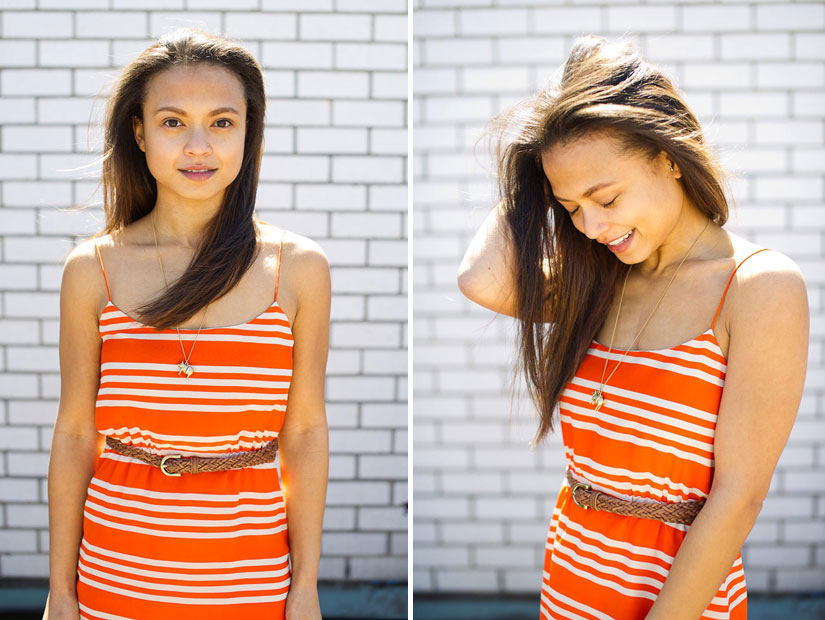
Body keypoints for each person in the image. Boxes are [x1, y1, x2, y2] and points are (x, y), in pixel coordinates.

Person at [458, 35, 808, 620]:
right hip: (572, 578)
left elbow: (739, 497)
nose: (591, 226)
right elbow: (480, 279)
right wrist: (534, 171)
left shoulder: (757, 287)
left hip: (678, 597)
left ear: (668, 157)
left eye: (607, 197)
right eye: (570, 208)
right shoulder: (603, 279)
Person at [44, 28, 329, 620]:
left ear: (248, 134)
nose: (198, 145)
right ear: (140, 133)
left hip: (250, 581)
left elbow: (302, 434)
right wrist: (60, 592)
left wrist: (305, 588)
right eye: (173, 122)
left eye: (222, 122)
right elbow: (74, 435)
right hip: (116, 573)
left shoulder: (298, 269)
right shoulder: (91, 269)